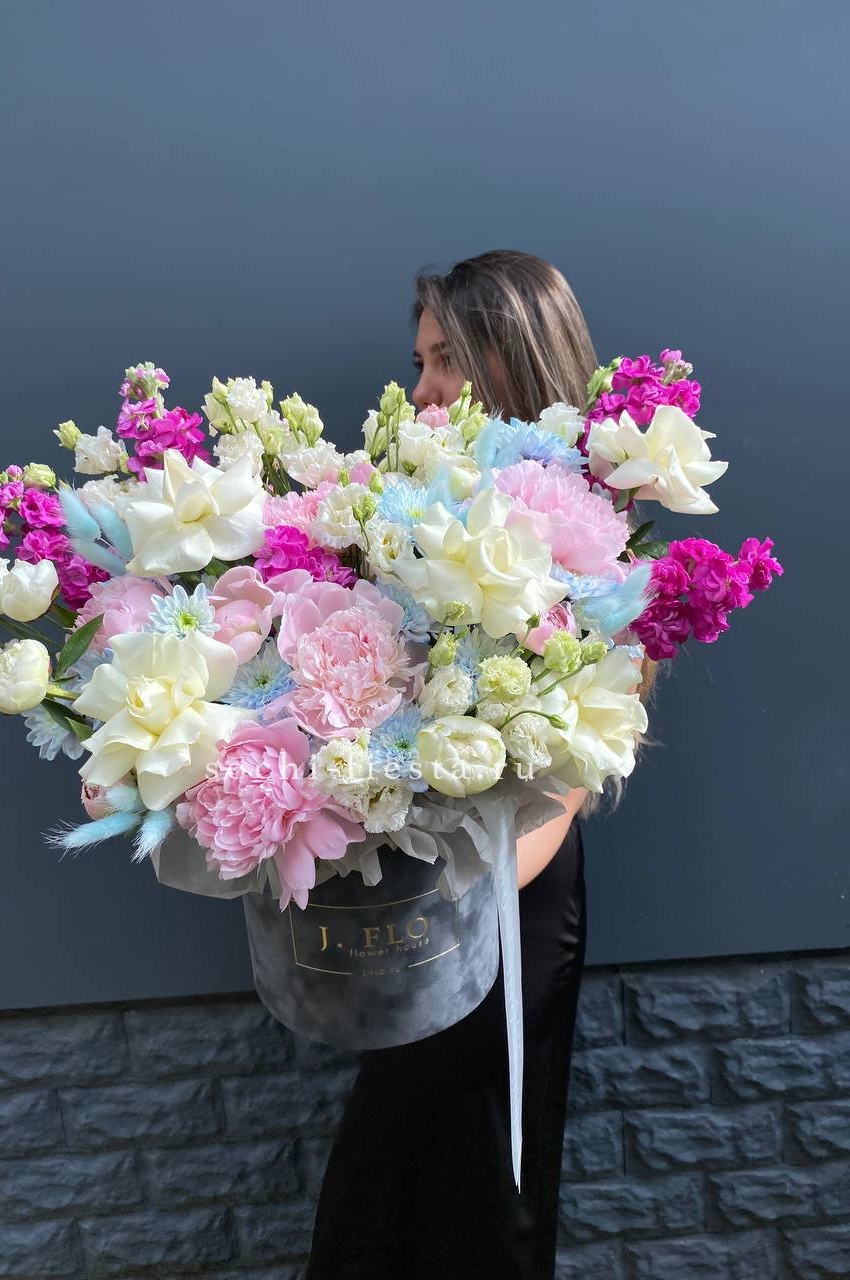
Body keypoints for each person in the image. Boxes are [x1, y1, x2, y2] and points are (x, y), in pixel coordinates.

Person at [304, 250, 651, 1279]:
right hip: (427, 895)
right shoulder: (416, 510)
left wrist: (462, 889)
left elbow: (570, 779)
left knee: (479, 1178)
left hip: (506, 895)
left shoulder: (588, 533)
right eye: (419, 360)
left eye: (446, 358)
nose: (422, 388)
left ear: (514, 358)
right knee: (394, 1175)